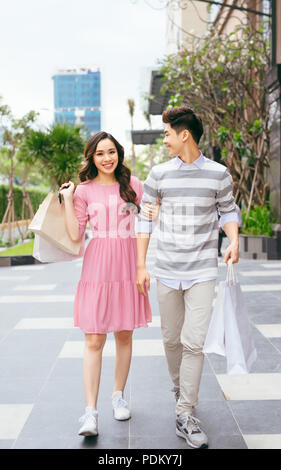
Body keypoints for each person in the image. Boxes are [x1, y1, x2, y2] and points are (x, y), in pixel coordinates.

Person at [136, 106, 241, 449]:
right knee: (171, 341)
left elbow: (228, 209)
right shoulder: (159, 174)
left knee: (193, 343)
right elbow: (144, 220)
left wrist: (234, 240)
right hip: (166, 270)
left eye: (167, 133)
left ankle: (185, 412)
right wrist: (141, 265)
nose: (164, 139)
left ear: (185, 135)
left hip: (201, 271)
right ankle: (181, 389)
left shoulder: (218, 174)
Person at [59, 131, 152, 437]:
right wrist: (69, 198)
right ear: (92, 158)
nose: (107, 158)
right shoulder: (84, 191)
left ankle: (118, 396)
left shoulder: (133, 186)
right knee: (94, 339)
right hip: (97, 265)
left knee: (124, 333)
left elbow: (146, 224)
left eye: (111, 152)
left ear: (118, 153)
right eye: (100, 153)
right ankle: (90, 412)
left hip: (127, 263)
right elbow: (75, 235)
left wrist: (142, 265)